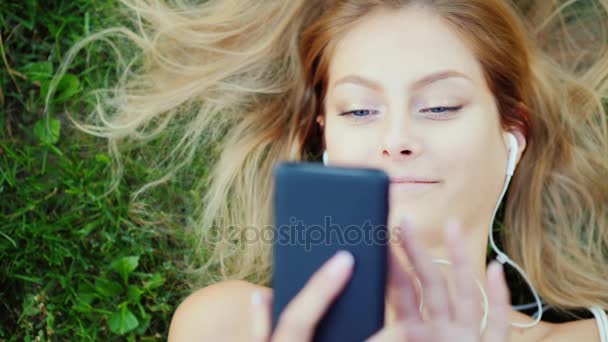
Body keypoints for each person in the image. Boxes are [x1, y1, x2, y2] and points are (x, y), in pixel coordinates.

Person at [62, 0, 608, 340]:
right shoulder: (234, 325)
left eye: (440, 105)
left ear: (513, 135)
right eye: (360, 110)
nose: (396, 140)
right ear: (327, 142)